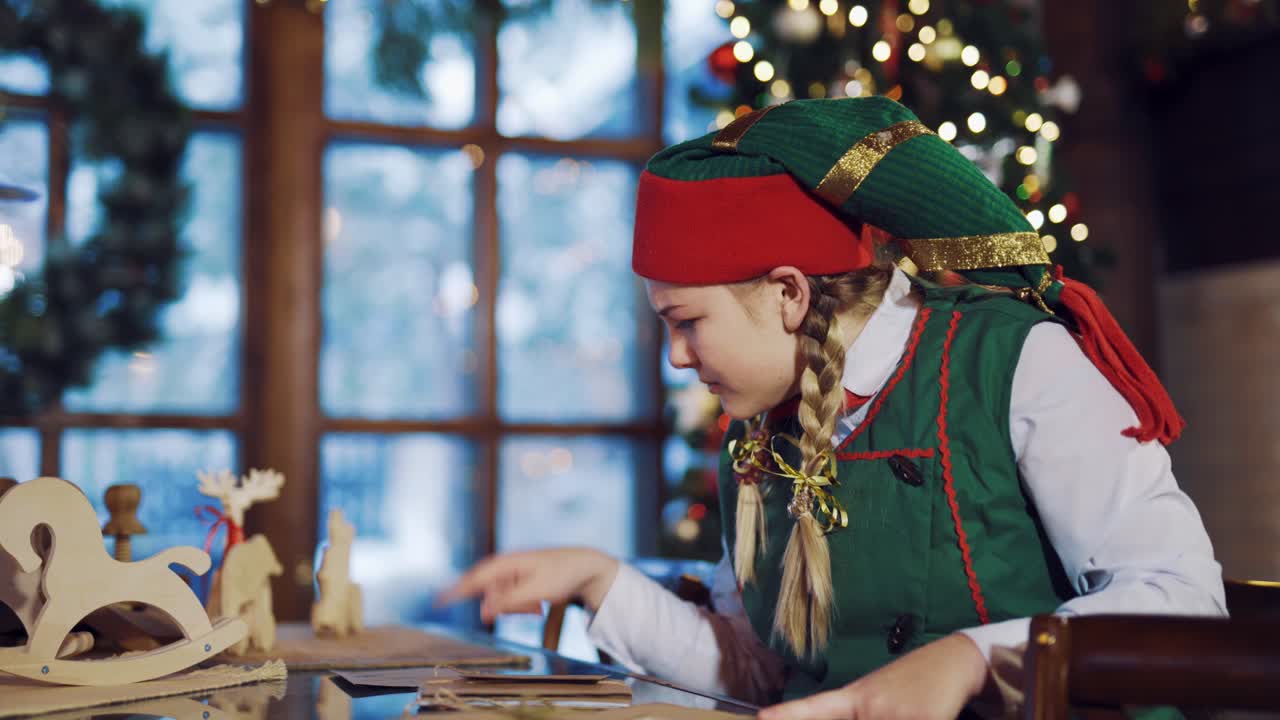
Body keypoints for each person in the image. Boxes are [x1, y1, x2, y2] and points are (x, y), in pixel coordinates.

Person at [439, 96, 1225, 718]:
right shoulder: (756, 433)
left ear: (788, 293)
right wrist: (597, 580)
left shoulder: (1012, 360)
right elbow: (754, 671)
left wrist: (971, 658)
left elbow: (1183, 601)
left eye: (687, 322)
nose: (677, 356)